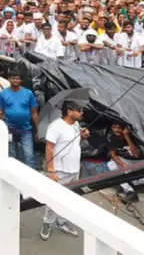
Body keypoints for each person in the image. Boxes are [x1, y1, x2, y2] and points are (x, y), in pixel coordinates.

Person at [41, 102, 87, 240]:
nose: (82, 112)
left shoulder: (76, 125)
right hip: (60, 170)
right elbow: (49, 148)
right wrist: (51, 170)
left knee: (70, 198)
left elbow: (74, 141)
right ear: (69, 111)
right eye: (79, 110)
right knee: (54, 199)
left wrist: (83, 135)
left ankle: (62, 222)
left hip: (74, 169)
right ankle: (47, 223)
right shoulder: (55, 127)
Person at [0, 71, 39, 169]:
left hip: (26, 129)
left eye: (18, 78)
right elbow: (0, 112)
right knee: (12, 156)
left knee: (29, 155)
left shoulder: (28, 93)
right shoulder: (2, 94)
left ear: (21, 80)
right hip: (9, 129)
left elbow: (34, 113)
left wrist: (37, 130)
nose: (16, 80)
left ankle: (30, 178)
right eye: (13, 78)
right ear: (9, 79)